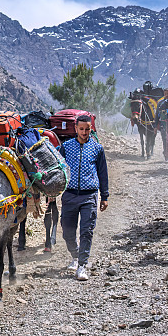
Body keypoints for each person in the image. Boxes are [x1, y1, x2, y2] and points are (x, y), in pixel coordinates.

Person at [58, 115, 109, 281]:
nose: (84, 132)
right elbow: (58, 170)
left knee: (86, 231)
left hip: (90, 196)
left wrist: (104, 196)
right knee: (67, 232)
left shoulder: (97, 148)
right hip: (70, 195)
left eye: (87, 129)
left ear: (91, 129)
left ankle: (82, 265)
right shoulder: (65, 147)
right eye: (81, 129)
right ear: (76, 129)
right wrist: (52, 193)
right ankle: (75, 255)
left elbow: (103, 173)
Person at [156, 89, 168, 161]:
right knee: (165, 140)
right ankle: (166, 155)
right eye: (165, 94)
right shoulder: (160, 103)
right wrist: (155, 126)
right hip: (163, 125)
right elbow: (157, 115)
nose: (167, 95)